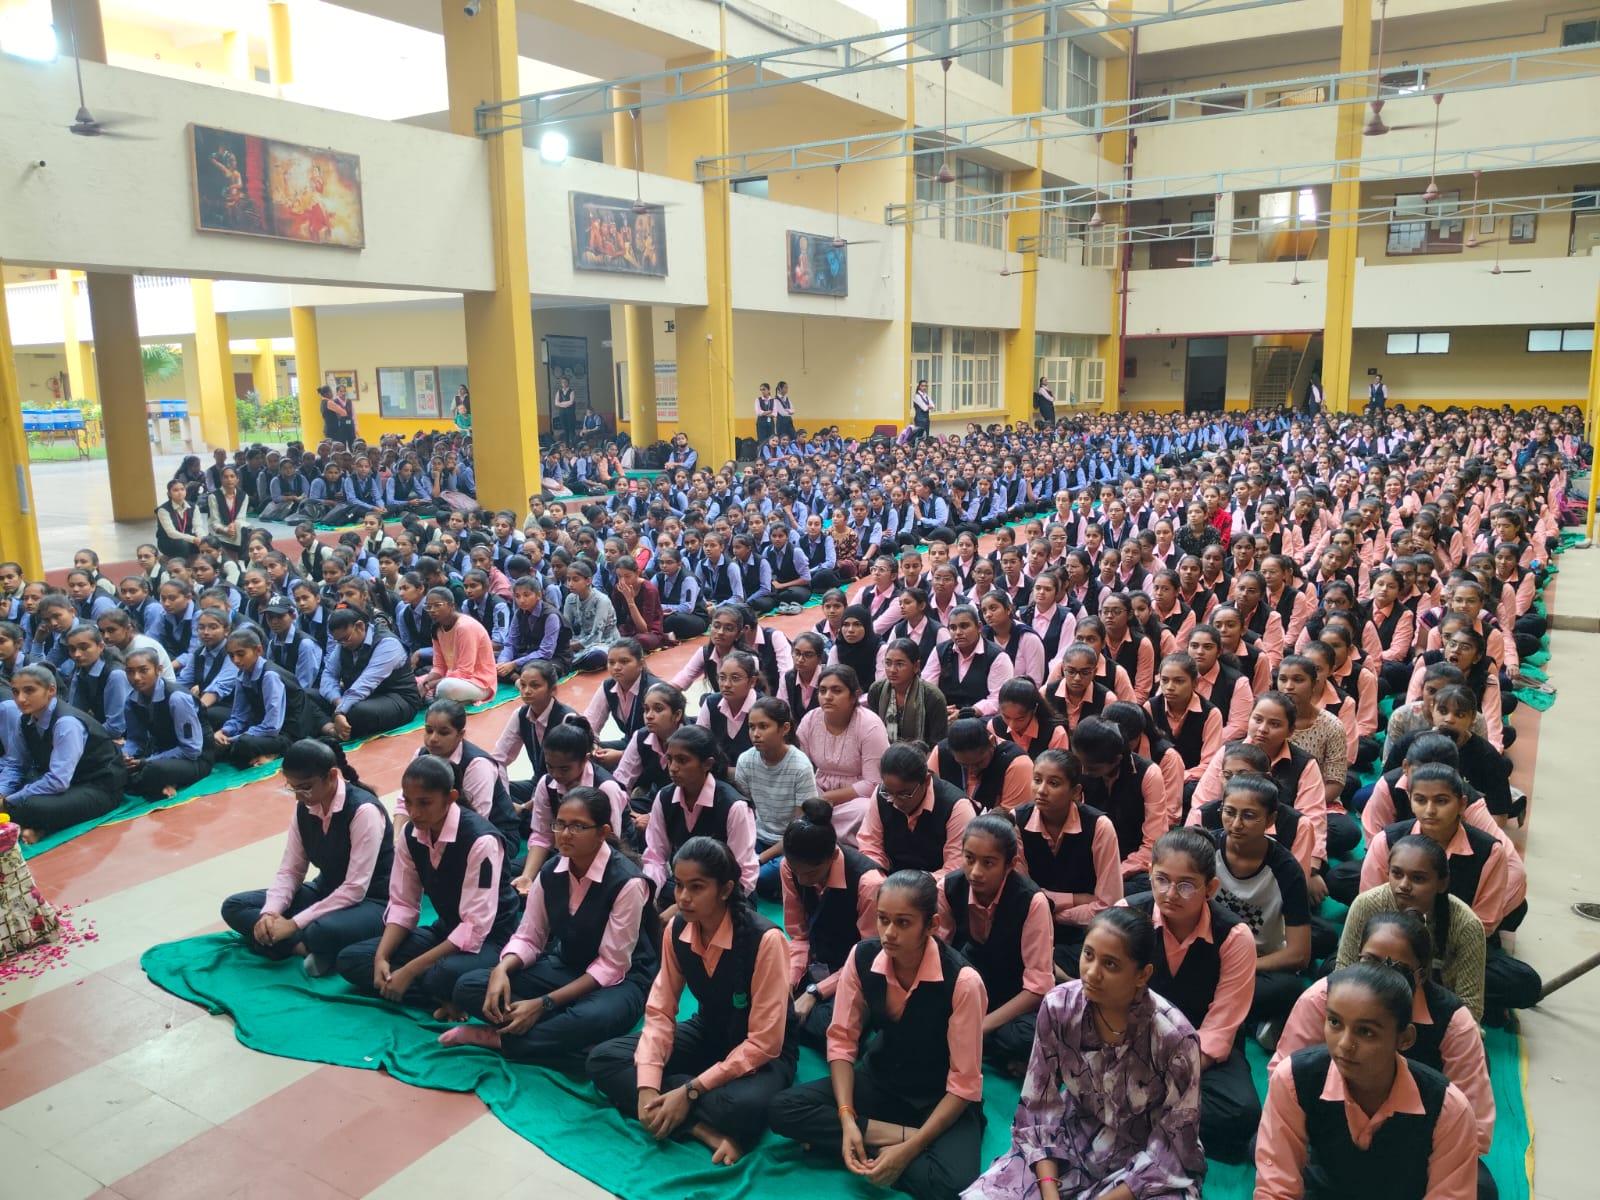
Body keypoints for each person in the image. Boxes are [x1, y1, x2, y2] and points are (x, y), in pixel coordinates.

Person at [768, 869, 988, 1200]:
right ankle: (887, 1138)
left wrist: (907, 1149)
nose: (889, 933)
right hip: (882, 1079)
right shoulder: (862, 956)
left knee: (951, 1185)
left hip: (939, 1095)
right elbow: (841, 1040)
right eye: (883, 919)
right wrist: (846, 1118)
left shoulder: (963, 982)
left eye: (903, 922)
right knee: (783, 1108)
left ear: (932, 925)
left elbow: (964, 1084)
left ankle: (874, 1141)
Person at [960, 906, 1207, 1200]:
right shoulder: (1059, 1006)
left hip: (1146, 1165)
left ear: (1142, 975)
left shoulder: (1175, 1039)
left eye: (1110, 964)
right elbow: (1038, 1109)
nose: (1092, 972)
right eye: (1088, 955)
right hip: (1070, 1140)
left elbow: (1174, 1148)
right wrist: (1049, 1190)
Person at [587, 836, 797, 1166]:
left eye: (697, 887)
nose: (683, 897)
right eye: (680, 885)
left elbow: (765, 1043)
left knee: (740, 1109)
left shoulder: (767, 940)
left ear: (725, 890)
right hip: (708, 1032)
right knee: (604, 1059)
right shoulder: (675, 929)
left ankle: (677, 1100)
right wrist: (647, 1087)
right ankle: (698, 1127)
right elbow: (660, 1010)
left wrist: (690, 1090)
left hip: (764, 1054)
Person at [1273, 911, 1497, 1199]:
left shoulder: (1448, 1090)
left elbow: (1473, 1129)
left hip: (1414, 1153)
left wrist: (1404, 1138)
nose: (1345, 1045)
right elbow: (1287, 1088)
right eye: (1335, 1022)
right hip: (1328, 1145)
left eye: (1367, 1032)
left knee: (1479, 1188)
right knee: (1272, 1146)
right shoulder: (1323, 999)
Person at [443, 786, 659, 1063]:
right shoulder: (550, 871)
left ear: (603, 832)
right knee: (469, 986)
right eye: (560, 824)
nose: (565, 834)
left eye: (578, 826)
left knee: (595, 1016)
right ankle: (564, 1041)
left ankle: (499, 1038)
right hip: (566, 966)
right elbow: (529, 937)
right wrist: (502, 969)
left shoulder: (628, 882)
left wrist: (543, 1004)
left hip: (619, 982)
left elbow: (611, 966)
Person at [335, 754, 521, 1018]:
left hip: (492, 940)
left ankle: (436, 992)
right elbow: (403, 905)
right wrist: (381, 957)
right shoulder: (411, 834)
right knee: (352, 959)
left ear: (451, 797)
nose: (414, 812)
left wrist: (410, 970)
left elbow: (474, 928)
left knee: (440, 974)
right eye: (408, 802)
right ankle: (441, 999)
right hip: (445, 931)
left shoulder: (482, 841)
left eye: (424, 803)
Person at [1125, 828, 1260, 1164]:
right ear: (1149, 875)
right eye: (1161, 880)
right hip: (1134, 1042)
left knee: (1240, 1111)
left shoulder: (1234, 937)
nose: (1170, 894)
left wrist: (1161, 1078)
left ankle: (1139, 1117)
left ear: (1210, 888)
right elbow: (1111, 1001)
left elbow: (1220, 1028)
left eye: (1186, 885)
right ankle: (1169, 1123)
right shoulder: (1127, 917)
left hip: (1202, 1054)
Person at [220, 738, 392, 974]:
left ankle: (289, 943)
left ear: (332, 776)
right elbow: (291, 870)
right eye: (292, 788)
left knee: (321, 930)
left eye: (305, 787)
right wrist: (271, 913)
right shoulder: (305, 807)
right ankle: (301, 948)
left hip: (373, 901)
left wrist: (293, 924)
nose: (299, 796)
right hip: (326, 891)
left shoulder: (364, 811)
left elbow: (355, 889)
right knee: (235, 906)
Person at [936, 813, 1054, 1067]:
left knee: (1023, 1037)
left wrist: (980, 1027)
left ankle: (986, 1043)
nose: (975, 872)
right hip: (975, 978)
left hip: (1017, 989)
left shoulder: (1032, 901)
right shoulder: (948, 887)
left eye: (988, 863)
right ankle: (996, 1053)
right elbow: (938, 955)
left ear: (1010, 864)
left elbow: (1037, 988)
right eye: (969, 858)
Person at [780, 797, 884, 1046]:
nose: (802, 880)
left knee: (831, 1026)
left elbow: (869, 957)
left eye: (811, 872)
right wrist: (789, 983)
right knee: (763, 996)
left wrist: (815, 992)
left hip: (856, 971)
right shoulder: (789, 868)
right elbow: (799, 936)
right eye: (796, 871)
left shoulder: (869, 883)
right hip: (817, 961)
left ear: (833, 855)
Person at [0, 664, 127, 841]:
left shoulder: (66, 723)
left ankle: (42, 827)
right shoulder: (24, 720)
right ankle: (36, 826)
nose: (20, 699)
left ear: (51, 690)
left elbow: (58, 781)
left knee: (27, 805)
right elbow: (16, 764)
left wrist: (9, 802)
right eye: (15, 692)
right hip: (66, 784)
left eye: (29, 690)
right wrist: (2, 794)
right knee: (17, 797)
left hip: (97, 787)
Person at [640, 725, 758, 909]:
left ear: (707, 764)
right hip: (683, 887)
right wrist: (650, 897)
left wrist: (680, 909)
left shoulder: (734, 807)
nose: (673, 768)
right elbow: (655, 856)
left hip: (726, 895)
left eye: (682, 760)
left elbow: (744, 873)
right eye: (670, 759)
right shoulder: (664, 798)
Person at [735, 697, 819, 902]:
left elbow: (798, 831)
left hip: (790, 846)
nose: (755, 734)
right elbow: (746, 813)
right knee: (729, 865)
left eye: (763, 726)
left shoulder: (800, 766)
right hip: (757, 838)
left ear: (784, 728)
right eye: (751, 727)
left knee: (759, 877)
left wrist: (759, 859)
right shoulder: (745, 760)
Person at [413, 698, 521, 854]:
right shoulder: (421, 754)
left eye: (443, 733)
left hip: (489, 834)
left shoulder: (477, 764)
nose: (433, 739)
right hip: (437, 828)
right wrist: (397, 837)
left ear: (460, 734)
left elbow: (477, 820)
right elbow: (405, 801)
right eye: (429, 730)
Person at [795, 664, 889, 844]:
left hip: (855, 799)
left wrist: (824, 799)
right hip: (818, 789)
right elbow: (799, 766)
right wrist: (813, 796)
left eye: (836, 690)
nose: (827, 697)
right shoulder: (810, 720)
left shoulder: (870, 725)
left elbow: (873, 783)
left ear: (853, 696)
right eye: (822, 690)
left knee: (865, 811)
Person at [857, 742, 976, 876]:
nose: (895, 802)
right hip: (888, 881)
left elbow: (955, 870)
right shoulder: (881, 794)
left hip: (936, 884)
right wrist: (877, 878)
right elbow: (870, 847)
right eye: (889, 793)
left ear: (926, 780)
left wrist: (911, 887)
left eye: (905, 794)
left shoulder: (957, 808)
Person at [214, 628, 318, 768]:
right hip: (262, 728)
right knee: (215, 742)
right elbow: (239, 716)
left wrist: (236, 738)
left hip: (289, 732)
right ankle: (263, 752)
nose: (236, 660)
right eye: (231, 656)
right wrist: (224, 732)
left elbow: (272, 726)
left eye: (241, 654)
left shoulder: (270, 676)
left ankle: (279, 752)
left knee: (243, 745)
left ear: (258, 650)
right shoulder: (242, 675)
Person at [318, 607, 424, 740]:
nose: (342, 644)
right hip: (359, 698)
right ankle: (332, 730)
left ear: (360, 626)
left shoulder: (388, 643)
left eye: (345, 639)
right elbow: (328, 674)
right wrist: (338, 702)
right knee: (309, 696)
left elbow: (367, 682)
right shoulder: (342, 645)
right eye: (338, 641)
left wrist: (341, 710)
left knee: (357, 711)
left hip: (397, 698)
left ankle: (335, 727)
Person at [121, 647, 211, 799]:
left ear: (159, 669)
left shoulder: (177, 698)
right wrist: (126, 755)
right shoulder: (131, 700)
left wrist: (146, 762)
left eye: (143, 670)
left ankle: (161, 782)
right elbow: (136, 738)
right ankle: (162, 783)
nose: (136, 677)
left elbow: (192, 749)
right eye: (130, 672)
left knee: (153, 769)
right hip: (161, 752)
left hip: (196, 759)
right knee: (115, 767)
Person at [868, 636, 950, 747]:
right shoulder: (877, 690)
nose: (892, 670)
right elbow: (872, 732)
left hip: (923, 755)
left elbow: (938, 743)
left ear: (916, 666)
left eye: (900, 664)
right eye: (888, 663)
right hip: (883, 752)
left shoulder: (933, 697)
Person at [419, 587, 497, 703]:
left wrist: (431, 685)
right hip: (452, 678)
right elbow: (439, 666)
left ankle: (448, 698)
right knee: (415, 683)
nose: (432, 610)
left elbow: (465, 671)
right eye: (428, 607)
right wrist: (424, 683)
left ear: (451, 605)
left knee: (445, 687)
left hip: (478, 683)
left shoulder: (465, 627)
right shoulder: (437, 629)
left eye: (437, 605)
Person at [562, 561, 620, 673]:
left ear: (588, 581)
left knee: (597, 656)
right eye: (568, 579)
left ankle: (570, 663)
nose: (570, 584)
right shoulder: (570, 599)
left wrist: (569, 646)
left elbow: (596, 636)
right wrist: (564, 643)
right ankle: (572, 662)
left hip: (604, 642)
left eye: (575, 580)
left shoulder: (601, 600)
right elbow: (566, 628)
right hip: (580, 640)